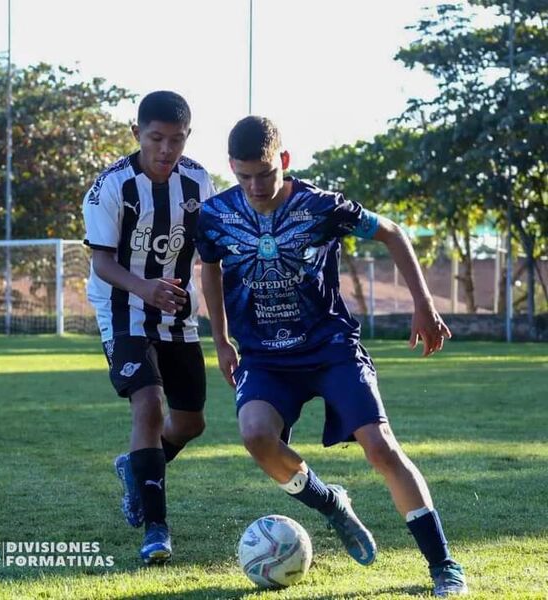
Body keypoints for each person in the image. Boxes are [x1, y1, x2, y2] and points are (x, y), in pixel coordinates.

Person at [195, 115, 468, 597]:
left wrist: (423, 307)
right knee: (257, 436)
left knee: (381, 448)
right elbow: (210, 269)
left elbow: (392, 232)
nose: (255, 186)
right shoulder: (214, 216)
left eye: (264, 173)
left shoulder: (320, 205)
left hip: (330, 349)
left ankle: (443, 565)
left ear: (284, 160)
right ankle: (331, 505)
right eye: (243, 176)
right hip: (264, 358)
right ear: (231, 170)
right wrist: (220, 339)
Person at [82, 91, 215, 565]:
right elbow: (102, 262)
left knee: (191, 422)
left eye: (175, 140)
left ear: (187, 138)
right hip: (124, 308)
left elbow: (212, 255)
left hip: (176, 311)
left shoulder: (199, 181)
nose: (165, 150)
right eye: (155, 138)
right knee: (149, 405)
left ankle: (135, 470)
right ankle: (156, 529)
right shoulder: (110, 187)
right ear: (136, 132)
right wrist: (145, 289)